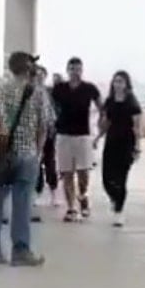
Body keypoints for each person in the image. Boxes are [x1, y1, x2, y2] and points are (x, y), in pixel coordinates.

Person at [0, 51, 52, 266]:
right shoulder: (38, 92)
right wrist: (38, 153)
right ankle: (20, 251)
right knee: (22, 204)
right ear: (29, 68)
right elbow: (44, 126)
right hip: (26, 154)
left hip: (1, 154)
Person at [51, 57, 102, 222]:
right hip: (63, 135)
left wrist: (100, 129)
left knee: (83, 173)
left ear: (82, 70)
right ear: (68, 70)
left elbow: (102, 108)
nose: (75, 72)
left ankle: (83, 197)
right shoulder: (59, 89)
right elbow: (49, 107)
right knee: (67, 173)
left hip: (83, 135)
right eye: (72, 69)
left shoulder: (89, 88)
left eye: (78, 69)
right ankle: (71, 208)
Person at [95, 71, 142, 227]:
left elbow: (137, 127)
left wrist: (137, 146)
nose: (118, 84)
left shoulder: (132, 102)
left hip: (126, 142)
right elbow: (106, 122)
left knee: (121, 178)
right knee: (106, 178)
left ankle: (119, 211)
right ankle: (114, 198)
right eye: (116, 81)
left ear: (126, 84)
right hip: (111, 141)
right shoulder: (109, 101)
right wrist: (98, 137)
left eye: (121, 81)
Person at [34, 65, 59, 208]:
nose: (39, 77)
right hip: (34, 132)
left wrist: (54, 126)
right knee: (36, 163)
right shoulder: (29, 90)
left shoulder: (50, 91)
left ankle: (53, 192)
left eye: (42, 74)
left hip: (49, 132)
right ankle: (37, 192)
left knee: (50, 161)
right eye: (37, 74)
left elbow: (54, 110)